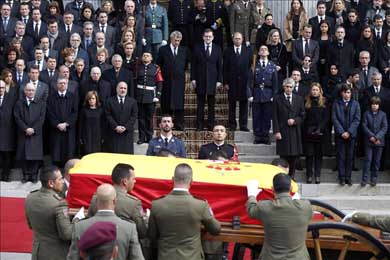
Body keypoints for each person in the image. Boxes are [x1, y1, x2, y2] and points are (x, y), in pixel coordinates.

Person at [148, 163, 221, 260]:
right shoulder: (200, 205)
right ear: (191, 181)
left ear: (172, 179)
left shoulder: (157, 204)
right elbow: (216, 229)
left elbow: (152, 236)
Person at [67, 183, 145, 260]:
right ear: (114, 201)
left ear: (96, 201)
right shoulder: (129, 228)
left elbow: (73, 257)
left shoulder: (80, 226)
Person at [246, 173, 312, 260]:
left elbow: (251, 209)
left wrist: (252, 195)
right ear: (291, 188)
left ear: (272, 189)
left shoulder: (265, 207)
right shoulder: (305, 207)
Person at [25, 165, 74, 260]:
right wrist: (76, 221)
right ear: (51, 183)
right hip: (56, 254)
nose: (63, 182)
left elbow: (30, 225)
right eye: (60, 179)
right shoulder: (59, 204)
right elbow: (67, 234)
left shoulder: (30, 198)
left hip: (38, 253)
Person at [88, 163, 147, 241]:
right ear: (125, 181)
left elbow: (89, 222)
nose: (135, 181)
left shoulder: (96, 197)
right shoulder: (133, 203)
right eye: (133, 179)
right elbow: (142, 232)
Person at [272, 78, 305, 180]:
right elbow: (275, 116)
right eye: (287, 87)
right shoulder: (277, 99)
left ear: (293, 87)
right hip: (283, 130)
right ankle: (283, 176)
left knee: (294, 155)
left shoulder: (299, 99)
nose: (289, 89)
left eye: (291, 87)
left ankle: (292, 176)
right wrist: (276, 131)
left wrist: (295, 121)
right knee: (284, 155)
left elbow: (302, 115)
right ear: (283, 87)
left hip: (294, 131)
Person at [191, 29, 223, 131]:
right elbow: (193, 65)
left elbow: (219, 66)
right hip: (200, 79)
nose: (208, 38)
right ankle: (199, 125)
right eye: (206, 36)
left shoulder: (217, 49)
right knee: (200, 104)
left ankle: (211, 125)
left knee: (211, 104)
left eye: (210, 36)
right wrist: (193, 79)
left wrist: (219, 80)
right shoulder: (197, 48)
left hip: (212, 80)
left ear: (213, 37)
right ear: (203, 37)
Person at [14, 82, 46, 182]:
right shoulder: (19, 103)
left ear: (35, 91)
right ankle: (25, 175)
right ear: (25, 91)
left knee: (35, 155)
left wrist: (33, 129)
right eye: (28, 90)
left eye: (32, 90)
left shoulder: (41, 103)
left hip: (36, 133)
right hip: (23, 133)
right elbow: (17, 118)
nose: (30, 92)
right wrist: (25, 128)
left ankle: (34, 175)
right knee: (24, 155)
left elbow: (42, 118)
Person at [157, 31, 188, 131]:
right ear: (171, 39)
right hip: (166, 80)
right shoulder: (163, 50)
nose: (177, 42)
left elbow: (185, 65)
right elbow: (159, 64)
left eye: (179, 41)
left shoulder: (184, 50)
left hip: (179, 81)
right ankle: (166, 124)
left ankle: (179, 124)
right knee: (166, 102)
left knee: (179, 102)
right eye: (175, 40)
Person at [332, 84, 361, 185]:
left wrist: (349, 132)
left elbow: (357, 120)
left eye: (348, 92)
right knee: (341, 156)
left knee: (350, 156)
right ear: (341, 93)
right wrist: (341, 132)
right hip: (340, 135)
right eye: (345, 92)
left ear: (351, 93)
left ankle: (348, 177)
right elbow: (334, 118)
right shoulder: (336, 103)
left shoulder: (355, 104)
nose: (347, 94)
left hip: (351, 135)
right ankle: (342, 177)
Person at [223, 32, 252, 132]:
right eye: (236, 38)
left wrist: (249, 83)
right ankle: (232, 125)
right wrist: (225, 82)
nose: (237, 40)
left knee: (244, 104)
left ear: (242, 39)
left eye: (239, 39)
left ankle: (243, 125)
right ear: (233, 39)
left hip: (244, 82)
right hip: (232, 82)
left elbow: (249, 66)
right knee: (232, 104)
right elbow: (225, 68)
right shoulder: (227, 51)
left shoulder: (247, 51)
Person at [250, 45, 278, 145]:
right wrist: (250, 95)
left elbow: (275, 83)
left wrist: (274, 96)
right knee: (256, 116)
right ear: (259, 53)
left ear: (268, 53)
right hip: (257, 93)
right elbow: (249, 82)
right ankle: (257, 136)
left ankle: (265, 136)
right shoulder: (254, 65)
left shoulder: (272, 66)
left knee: (266, 117)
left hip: (268, 93)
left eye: (265, 49)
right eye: (261, 49)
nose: (263, 51)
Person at [47, 77, 78, 168]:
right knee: (56, 151)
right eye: (60, 83)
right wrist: (57, 124)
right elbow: (49, 112)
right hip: (55, 129)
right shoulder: (51, 97)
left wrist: (66, 123)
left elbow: (75, 112)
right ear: (57, 85)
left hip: (69, 130)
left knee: (68, 152)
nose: (62, 85)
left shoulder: (72, 96)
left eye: (64, 83)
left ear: (67, 85)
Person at [303, 83, 330, 184]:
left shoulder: (324, 101)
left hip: (320, 132)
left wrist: (319, 129)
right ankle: (309, 175)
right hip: (309, 132)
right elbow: (304, 117)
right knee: (309, 155)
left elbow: (326, 117)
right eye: (313, 90)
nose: (314, 92)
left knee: (318, 155)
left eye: (316, 90)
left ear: (320, 91)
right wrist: (308, 129)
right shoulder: (306, 101)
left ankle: (317, 175)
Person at [135, 51, 163, 144]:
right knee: (141, 118)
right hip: (139, 95)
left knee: (149, 118)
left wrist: (158, 95)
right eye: (144, 55)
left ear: (151, 58)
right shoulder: (138, 67)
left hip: (150, 96)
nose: (145, 57)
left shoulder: (155, 68)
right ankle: (141, 138)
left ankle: (149, 137)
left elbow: (159, 82)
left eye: (147, 56)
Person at [361, 96, 388, 187]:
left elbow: (384, 128)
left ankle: (374, 178)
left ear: (379, 105)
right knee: (368, 160)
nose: (374, 106)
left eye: (376, 104)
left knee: (376, 161)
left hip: (379, 142)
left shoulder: (383, 115)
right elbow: (364, 126)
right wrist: (371, 136)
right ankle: (364, 179)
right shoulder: (366, 114)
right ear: (370, 105)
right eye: (373, 104)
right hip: (369, 141)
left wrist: (377, 137)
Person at [105, 82, 138, 154]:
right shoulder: (109, 101)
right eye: (121, 88)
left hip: (126, 134)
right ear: (117, 89)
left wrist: (125, 127)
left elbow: (134, 116)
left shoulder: (133, 102)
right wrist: (116, 126)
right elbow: (108, 115)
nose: (123, 90)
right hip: (113, 134)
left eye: (125, 88)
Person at [79, 91, 105, 155]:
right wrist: (80, 137)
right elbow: (81, 125)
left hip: (97, 136)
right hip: (87, 136)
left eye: (93, 98)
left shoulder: (101, 110)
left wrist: (103, 137)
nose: (91, 100)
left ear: (96, 99)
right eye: (89, 99)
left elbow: (103, 125)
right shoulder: (84, 110)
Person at [0, 79, 16, 181]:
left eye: (2, 87)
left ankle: (6, 176)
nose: (0, 89)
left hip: (7, 132)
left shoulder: (11, 98)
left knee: (7, 156)